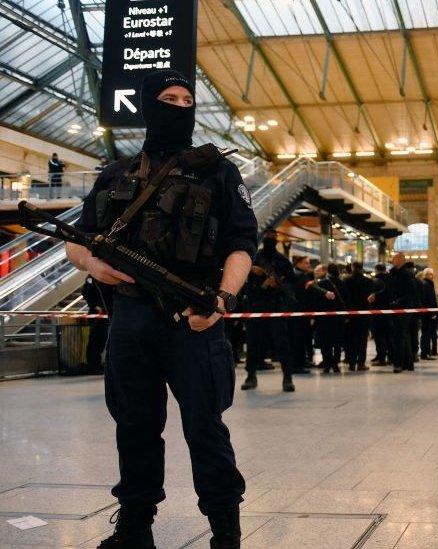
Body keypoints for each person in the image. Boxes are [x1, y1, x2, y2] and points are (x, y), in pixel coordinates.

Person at [66, 69, 255, 548]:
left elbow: (242, 243)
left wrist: (222, 299)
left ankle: (225, 533)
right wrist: (95, 266)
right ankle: (134, 527)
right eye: (169, 98)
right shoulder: (117, 173)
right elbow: (79, 240)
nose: (180, 105)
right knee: (133, 426)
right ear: (150, 106)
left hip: (193, 317)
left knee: (205, 428)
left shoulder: (218, 171)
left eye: (188, 98)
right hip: (131, 318)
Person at [241, 231, 298, 391]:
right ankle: (250, 375)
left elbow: (293, 284)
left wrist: (278, 285)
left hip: (275, 306)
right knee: (253, 343)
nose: (269, 240)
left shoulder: (282, 261)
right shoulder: (254, 258)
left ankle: (287, 377)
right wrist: (251, 270)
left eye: (272, 238)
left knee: (282, 344)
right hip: (256, 305)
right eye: (268, 237)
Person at [382, 253, 418, 373]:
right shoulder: (392, 274)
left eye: (396, 258)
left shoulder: (407, 275)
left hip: (403, 309)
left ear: (402, 260)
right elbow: (387, 289)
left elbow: (411, 293)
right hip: (394, 308)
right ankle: (408, 363)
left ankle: (398, 364)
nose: (393, 260)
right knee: (402, 335)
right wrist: (375, 295)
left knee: (399, 336)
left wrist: (398, 302)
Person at [344, 262, 374, 371]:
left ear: (352, 268)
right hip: (365, 314)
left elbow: (345, 298)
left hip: (351, 314)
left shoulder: (347, 281)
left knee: (351, 339)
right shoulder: (369, 281)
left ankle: (351, 363)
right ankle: (361, 363)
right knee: (362, 339)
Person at [80, 275, 111, 374]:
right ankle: (93, 364)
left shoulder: (101, 279)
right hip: (96, 314)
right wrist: (94, 305)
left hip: (103, 313)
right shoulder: (91, 279)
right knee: (95, 340)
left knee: (101, 340)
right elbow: (86, 292)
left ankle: (96, 364)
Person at [289, 255, 314, 374]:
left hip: (298, 312)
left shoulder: (296, 275)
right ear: (298, 263)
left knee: (300, 339)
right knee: (299, 339)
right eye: (306, 263)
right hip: (300, 312)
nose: (308, 265)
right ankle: (298, 364)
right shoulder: (300, 276)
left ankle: (301, 361)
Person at [369, 264, 392, 365]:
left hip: (377, 312)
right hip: (390, 312)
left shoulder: (374, 281)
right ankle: (391, 358)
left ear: (376, 270)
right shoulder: (391, 280)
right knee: (389, 336)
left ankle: (381, 358)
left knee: (379, 337)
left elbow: (371, 297)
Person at [419, 267, 438, 360]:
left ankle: (427, 352)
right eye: (430, 274)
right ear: (426, 275)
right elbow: (428, 300)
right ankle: (425, 353)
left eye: (432, 274)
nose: (432, 276)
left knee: (427, 333)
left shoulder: (428, 284)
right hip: (427, 313)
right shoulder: (426, 284)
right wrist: (432, 312)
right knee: (426, 333)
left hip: (428, 312)